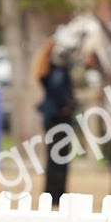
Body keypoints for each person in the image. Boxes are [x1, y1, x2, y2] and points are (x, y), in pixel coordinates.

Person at [34, 38, 76, 206]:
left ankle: (52, 191)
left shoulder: (47, 69)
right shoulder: (58, 71)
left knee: (54, 157)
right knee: (60, 158)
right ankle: (57, 193)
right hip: (59, 117)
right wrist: (67, 105)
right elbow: (59, 90)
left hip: (51, 117)